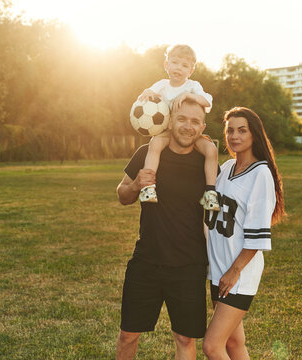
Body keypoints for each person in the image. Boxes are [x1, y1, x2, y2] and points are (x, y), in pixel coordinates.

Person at [115, 99, 211, 360]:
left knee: (184, 338)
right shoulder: (147, 153)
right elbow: (123, 195)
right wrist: (136, 184)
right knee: (128, 335)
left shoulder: (206, 161)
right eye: (181, 119)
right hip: (146, 261)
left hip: (189, 264)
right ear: (170, 120)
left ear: (202, 126)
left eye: (194, 121)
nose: (187, 126)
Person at [202, 107, 286, 359]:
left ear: (254, 135)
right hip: (217, 269)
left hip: (237, 274)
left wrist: (234, 270)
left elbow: (257, 236)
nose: (234, 136)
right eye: (230, 130)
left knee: (211, 346)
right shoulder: (226, 168)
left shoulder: (261, 174)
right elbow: (211, 206)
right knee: (234, 343)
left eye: (242, 130)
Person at [136, 44, 220, 211]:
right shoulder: (161, 85)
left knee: (211, 149)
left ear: (190, 71)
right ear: (166, 65)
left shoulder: (193, 86)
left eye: (184, 65)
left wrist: (189, 96)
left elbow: (208, 102)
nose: (179, 68)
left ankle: (210, 193)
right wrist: (147, 94)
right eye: (175, 63)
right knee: (154, 146)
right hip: (168, 132)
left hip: (189, 134)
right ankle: (148, 188)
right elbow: (147, 95)